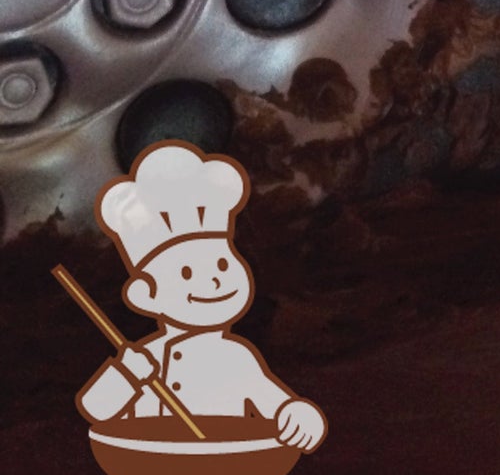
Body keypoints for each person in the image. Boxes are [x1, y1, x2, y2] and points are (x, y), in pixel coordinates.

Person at [75, 140, 327, 453]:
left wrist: (298, 417)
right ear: (146, 295)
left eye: (222, 264)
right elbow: (97, 407)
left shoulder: (236, 358)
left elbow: (276, 405)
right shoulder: (146, 357)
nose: (212, 280)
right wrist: (127, 374)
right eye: (185, 274)